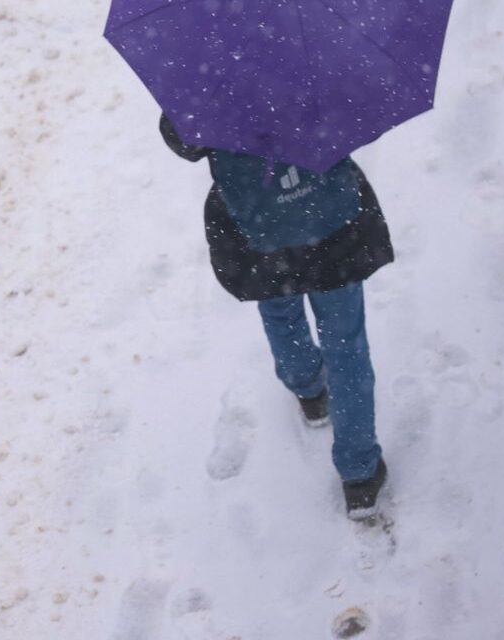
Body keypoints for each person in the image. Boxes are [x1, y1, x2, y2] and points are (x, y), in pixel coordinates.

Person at [158, 111, 395, 520]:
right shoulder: (318, 55)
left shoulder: (209, 75)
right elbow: (358, 118)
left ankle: (308, 388)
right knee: (346, 344)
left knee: (280, 308)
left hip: (260, 227)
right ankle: (360, 476)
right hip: (331, 224)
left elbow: (182, 140)